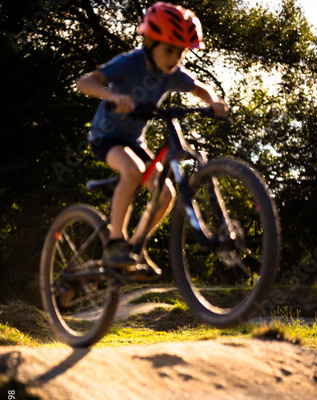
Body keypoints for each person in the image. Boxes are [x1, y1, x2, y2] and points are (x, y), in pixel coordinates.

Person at [77, 1, 228, 277]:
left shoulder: (172, 74)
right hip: (106, 137)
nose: (174, 58)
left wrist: (214, 101)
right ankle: (114, 242)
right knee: (133, 170)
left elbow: (200, 89)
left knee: (166, 194)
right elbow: (84, 82)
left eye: (180, 52)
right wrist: (112, 96)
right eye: (169, 50)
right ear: (149, 41)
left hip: (135, 141)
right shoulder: (128, 62)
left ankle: (133, 249)